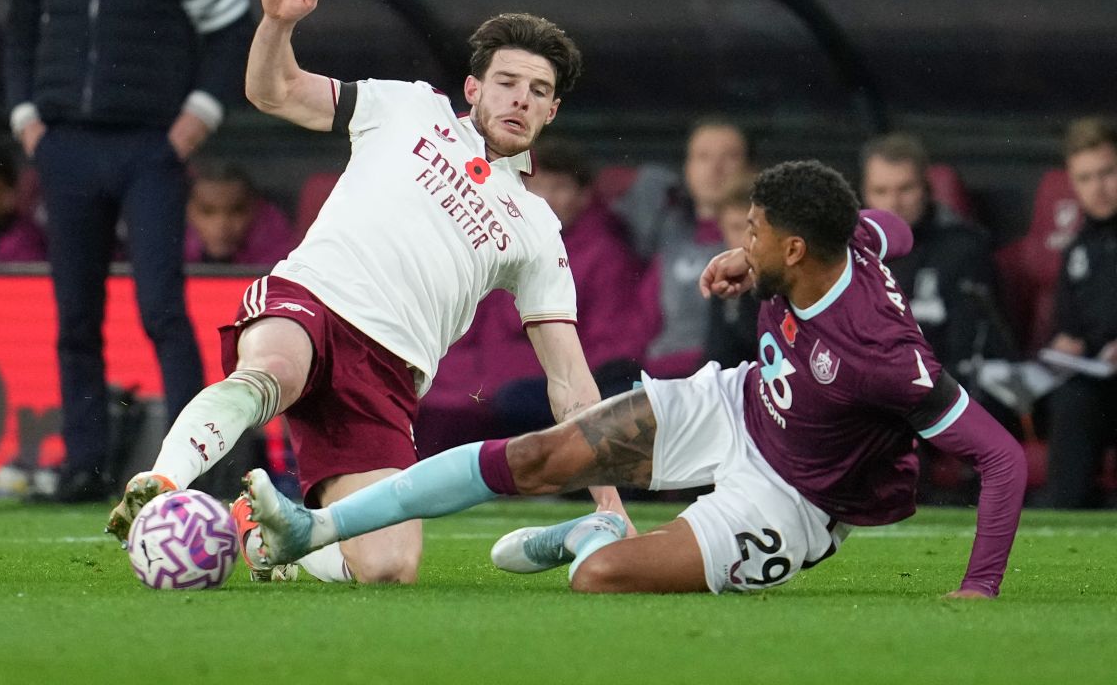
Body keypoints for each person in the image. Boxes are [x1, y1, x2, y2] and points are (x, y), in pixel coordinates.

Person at [241, 160, 1026, 599]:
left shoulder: (883, 357)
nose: (736, 240)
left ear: (793, 251)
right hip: (740, 403)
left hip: (797, 499)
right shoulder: (844, 240)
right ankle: (318, 530)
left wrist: (980, 588)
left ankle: (598, 536)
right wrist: (743, 262)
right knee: (539, 456)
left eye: (751, 233)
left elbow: (1003, 458)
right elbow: (895, 228)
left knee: (603, 582)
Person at [105, 0, 632, 585]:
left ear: (552, 113)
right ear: (473, 88)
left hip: (387, 375)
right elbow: (272, 92)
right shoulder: (407, 107)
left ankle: (257, 536)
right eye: (506, 82)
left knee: (388, 569)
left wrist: (611, 506)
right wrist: (276, 24)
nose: (520, 99)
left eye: (538, 91)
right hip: (315, 300)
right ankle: (162, 484)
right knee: (272, 369)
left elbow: (570, 379)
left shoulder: (538, 226)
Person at [5, 0, 253, 501]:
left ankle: (193, 466)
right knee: (75, 317)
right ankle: (83, 468)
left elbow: (232, 30)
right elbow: (16, 34)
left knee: (162, 310)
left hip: (150, 147)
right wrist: (26, 121)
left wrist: (198, 116)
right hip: (65, 147)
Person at [418, 139, 648, 454]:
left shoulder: (605, 255)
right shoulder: (496, 243)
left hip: (546, 385)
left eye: (560, 187)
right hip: (481, 380)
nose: (547, 198)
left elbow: (610, 347)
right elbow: (463, 329)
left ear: (583, 196)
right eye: (537, 185)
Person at [859, 134, 1014, 393]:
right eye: (881, 191)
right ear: (865, 195)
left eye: (905, 189)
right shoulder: (847, 252)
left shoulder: (964, 249)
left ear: (927, 189)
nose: (893, 204)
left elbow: (966, 356)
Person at [617, 117, 753, 378]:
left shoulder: (758, 245)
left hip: (717, 379)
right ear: (686, 167)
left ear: (749, 167)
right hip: (656, 374)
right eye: (703, 157)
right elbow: (639, 326)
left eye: (730, 157)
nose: (716, 169)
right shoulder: (669, 239)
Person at [1042, 118, 1117, 508]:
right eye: (1085, 178)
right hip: (1100, 384)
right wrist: (1066, 344)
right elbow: (1068, 328)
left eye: (1107, 173)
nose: (1098, 188)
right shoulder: (1079, 249)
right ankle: (1066, 515)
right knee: (1071, 399)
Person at [185, 161, 294, 266]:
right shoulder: (171, 250)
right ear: (188, 210)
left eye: (237, 210)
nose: (222, 224)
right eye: (207, 211)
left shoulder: (283, 257)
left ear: (254, 209)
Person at [702, 176, 757, 369]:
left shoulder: (781, 282)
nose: (744, 238)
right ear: (721, 228)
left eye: (751, 228)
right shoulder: (722, 277)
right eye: (735, 228)